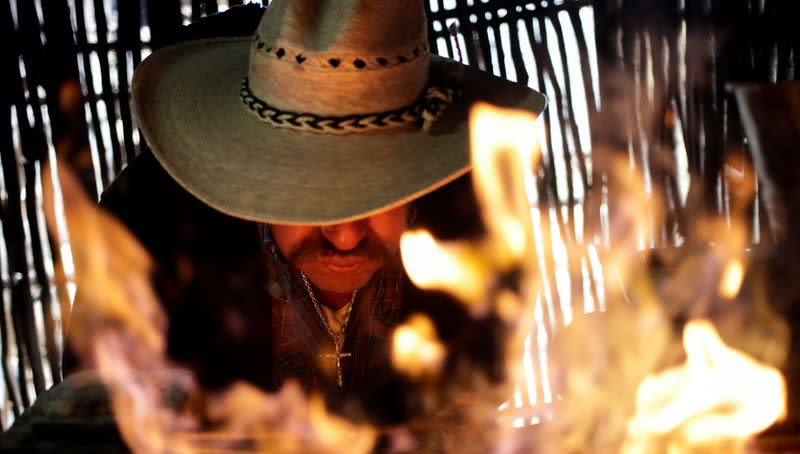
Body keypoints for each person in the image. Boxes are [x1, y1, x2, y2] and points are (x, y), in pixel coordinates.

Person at [63, 0, 545, 423]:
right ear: (250, 174)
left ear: (420, 181)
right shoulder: (150, 233)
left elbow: (482, 382)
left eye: (379, 198)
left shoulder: (470, 221)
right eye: (311, 198)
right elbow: (98, 418)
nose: (345, 237)